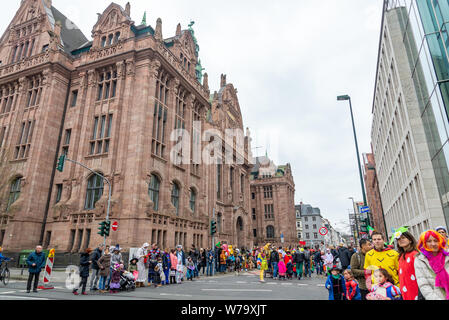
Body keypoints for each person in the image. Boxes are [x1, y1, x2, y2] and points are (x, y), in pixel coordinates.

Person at [414, 230, 449, 300]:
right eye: (429, 241)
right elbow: (424, 286)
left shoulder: (447, 255)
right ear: (424, 243)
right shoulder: (420, 260)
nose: (433, 244)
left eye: (436, 241)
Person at [395, 229, 419, 300]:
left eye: (403, 238)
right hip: (404, 290)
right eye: (399, 239)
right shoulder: (400, 256)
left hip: (415, 289)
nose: (401, 240)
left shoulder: (415, 254)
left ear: (410, 240)